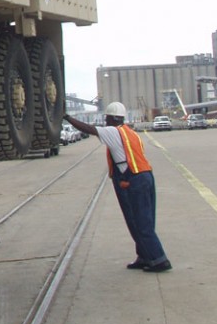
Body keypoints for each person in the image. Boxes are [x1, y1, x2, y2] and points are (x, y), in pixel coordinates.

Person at [64, 103, 172, 272]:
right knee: (138, 220)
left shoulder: (113, 131)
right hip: (145, 176)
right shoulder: (131, 133)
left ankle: (159, 260)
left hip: (134, 179)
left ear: (112, 118)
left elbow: (88, 129)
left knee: (141, 223)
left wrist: (68, 118)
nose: (105, 120)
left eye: (107, 117)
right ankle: (144, 256)